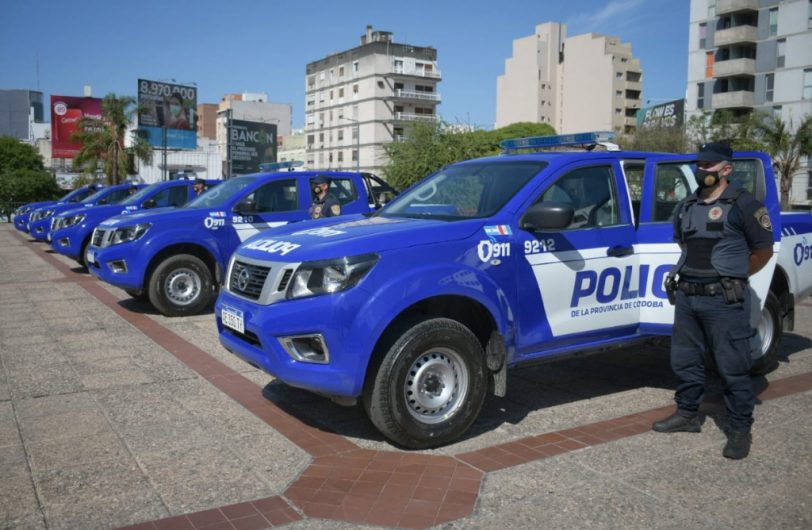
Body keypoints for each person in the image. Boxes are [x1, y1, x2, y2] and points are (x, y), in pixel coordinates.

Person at [654, 142, 774, 460]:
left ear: (726, 169)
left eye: (708, 165)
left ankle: (739, 429)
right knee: (685, 361)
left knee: (732, 367)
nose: (701, 170)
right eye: (699, 164)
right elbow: (684, 245)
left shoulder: (746, 206)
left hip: (723, 299)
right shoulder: (688, 205)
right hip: (688, 296)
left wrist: (734, 275)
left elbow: (763, 250)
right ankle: (688, 414)